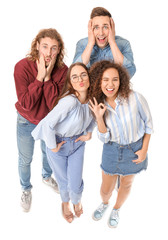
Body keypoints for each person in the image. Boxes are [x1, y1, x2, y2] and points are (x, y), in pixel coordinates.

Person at [89, 60, 153, 228]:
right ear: (99, 81)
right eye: (105, 80)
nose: (110, 84)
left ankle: (116, 209)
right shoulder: (98, 104)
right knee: (105, 190)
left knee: (126, 184)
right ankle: (105, 203)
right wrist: (99, 117)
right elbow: (103, 139)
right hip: (111, 150)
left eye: (115, 79)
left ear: (121, 80)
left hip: (135, 149)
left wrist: (144, 149)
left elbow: (149, 125)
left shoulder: (135, 98)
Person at [32, 62, 95, 223]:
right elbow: (47, 124)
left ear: (89, 77)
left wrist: (88, 133)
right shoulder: (69, 101)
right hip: (59, 144)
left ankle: (76, 199)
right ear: (71, 82)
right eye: (74, 77)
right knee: (63, 180)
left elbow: (94, 117)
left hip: (77, 143)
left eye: (83, 75)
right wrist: (52, 146)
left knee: (75, 180)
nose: (80, 79)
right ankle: (66, 202)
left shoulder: (91, 99)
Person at [14, 28, 68, 212]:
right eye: (44, 46)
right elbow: (27, 104)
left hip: (48, 123)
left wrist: (48, 77)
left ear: (59, 50)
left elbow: (55, 104)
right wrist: (40, 77)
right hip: (26, 120)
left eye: (53, 48)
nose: (48, 52)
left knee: (49, 153)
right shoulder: (21, 67)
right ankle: (25, 188)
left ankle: (46, 176)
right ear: (37, 46)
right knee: (25, 158)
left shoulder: (63, 71)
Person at [73, 7, 136, 78]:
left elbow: (129, 72)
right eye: (96, 27)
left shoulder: (124, 44)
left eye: (105, 27)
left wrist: (112, 42)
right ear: (90, 29)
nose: (101, 33)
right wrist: (90, 44)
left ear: (112, 28)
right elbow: (75, 72)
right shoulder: (82, 44)